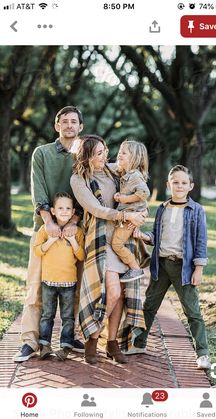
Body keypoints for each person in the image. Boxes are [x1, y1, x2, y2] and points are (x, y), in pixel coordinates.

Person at [14, 106, 85, 362]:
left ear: (80, 127)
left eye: (73, 122)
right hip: (45, 228)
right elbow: (39, 189)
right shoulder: (41, 153)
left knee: (75, 287)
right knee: (36, 288)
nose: (68, 125)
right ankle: (30, 341)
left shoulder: (83, 155)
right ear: (57, 126)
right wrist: (48, 221)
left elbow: (86, 189)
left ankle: (70, 336)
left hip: (75, 229)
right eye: (64, 121)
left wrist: (74, 221)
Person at [70, 134, 148, 365]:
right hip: (102, 240)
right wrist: (126, 214)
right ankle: (93, 337)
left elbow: (134, 173)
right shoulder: (79, 179)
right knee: (111, 292)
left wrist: (140, 212)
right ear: (87, 157)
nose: (106, 156)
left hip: (123, 239)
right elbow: (95, 209)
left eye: (106, 151)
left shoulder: (113, 170)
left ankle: (112, 343)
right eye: (99, 153)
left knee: (123, 295)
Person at [125, 165, 211, 370]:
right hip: (161, 265)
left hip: (184, 268)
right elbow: (157, 236)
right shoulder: (163, 208)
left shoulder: (196, 210)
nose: (179, 186)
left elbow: (200, 241)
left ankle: (203, 354)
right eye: (175, 182)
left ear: (191, 186)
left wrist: (198, 268)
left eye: (183, 183)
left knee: (192, 311)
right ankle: (139, 343)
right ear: (168, 184)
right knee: (149, 306)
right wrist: (144, 236)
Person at [34, 192, 85, 361]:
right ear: (53, 211)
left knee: (68, 317)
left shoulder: (76, 232)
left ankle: (65, 346)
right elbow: (37, 250)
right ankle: (45, 345)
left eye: (68, 208)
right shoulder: (45, 229)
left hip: (69, 283)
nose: (64, 211)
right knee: (47, 314)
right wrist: (50, 240)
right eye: (60, 208)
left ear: (73, 213)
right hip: (48, 281)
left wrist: (73, 241)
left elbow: (81, 256)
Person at [112, 140, 150, 282]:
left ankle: (135, 268)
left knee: (117, 244)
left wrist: (124, 199)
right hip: (132, 214)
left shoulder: (134, 176)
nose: (119, 155)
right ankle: (145, 255)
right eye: (120, 151)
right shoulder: (126, 173)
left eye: (124, 153)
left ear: (134, 158)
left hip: (131, 215)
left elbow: (144, 193)